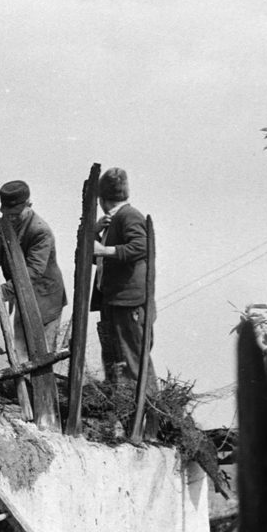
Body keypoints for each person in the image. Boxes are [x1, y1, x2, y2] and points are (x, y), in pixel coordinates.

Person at [92, 167, 153, 401]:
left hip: (127, 301)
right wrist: (95, 233)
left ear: (100, 199)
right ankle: (123, 408)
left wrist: (104, 249)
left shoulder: (129, 216)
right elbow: (93, 255)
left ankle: (146, 414)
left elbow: (141, 246)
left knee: (132, 359)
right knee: (116, 359)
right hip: (114, 298)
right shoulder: (114, 219)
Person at [0, 180, 68, 360]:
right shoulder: (9, 220)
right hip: (22, 294)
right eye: (7, 214)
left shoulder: (40, 231)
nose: (10, 218)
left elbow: (33, 271)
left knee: (42, 354)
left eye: (15, 214)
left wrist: (1, 291)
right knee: (21, 347)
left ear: (29, 205)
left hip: (44, 299)